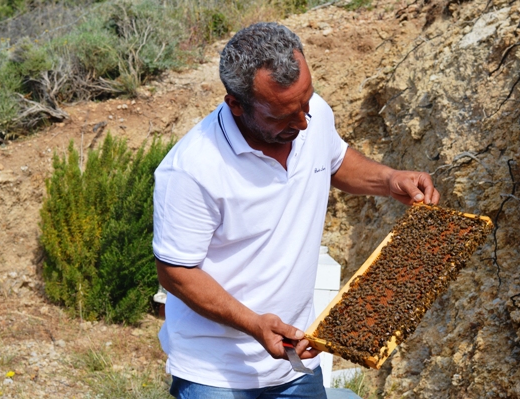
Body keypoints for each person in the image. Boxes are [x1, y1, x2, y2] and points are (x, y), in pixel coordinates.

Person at [153, 22, 440, 399]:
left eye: (305, 102)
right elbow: (175, 272)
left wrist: (388, 179)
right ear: (236, 105)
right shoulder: (191, 169)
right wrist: (254, 324)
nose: (303, 121)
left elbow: (334, 161)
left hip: (298, 359)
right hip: (216, 373)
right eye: (282, 116)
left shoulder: (312, 113)